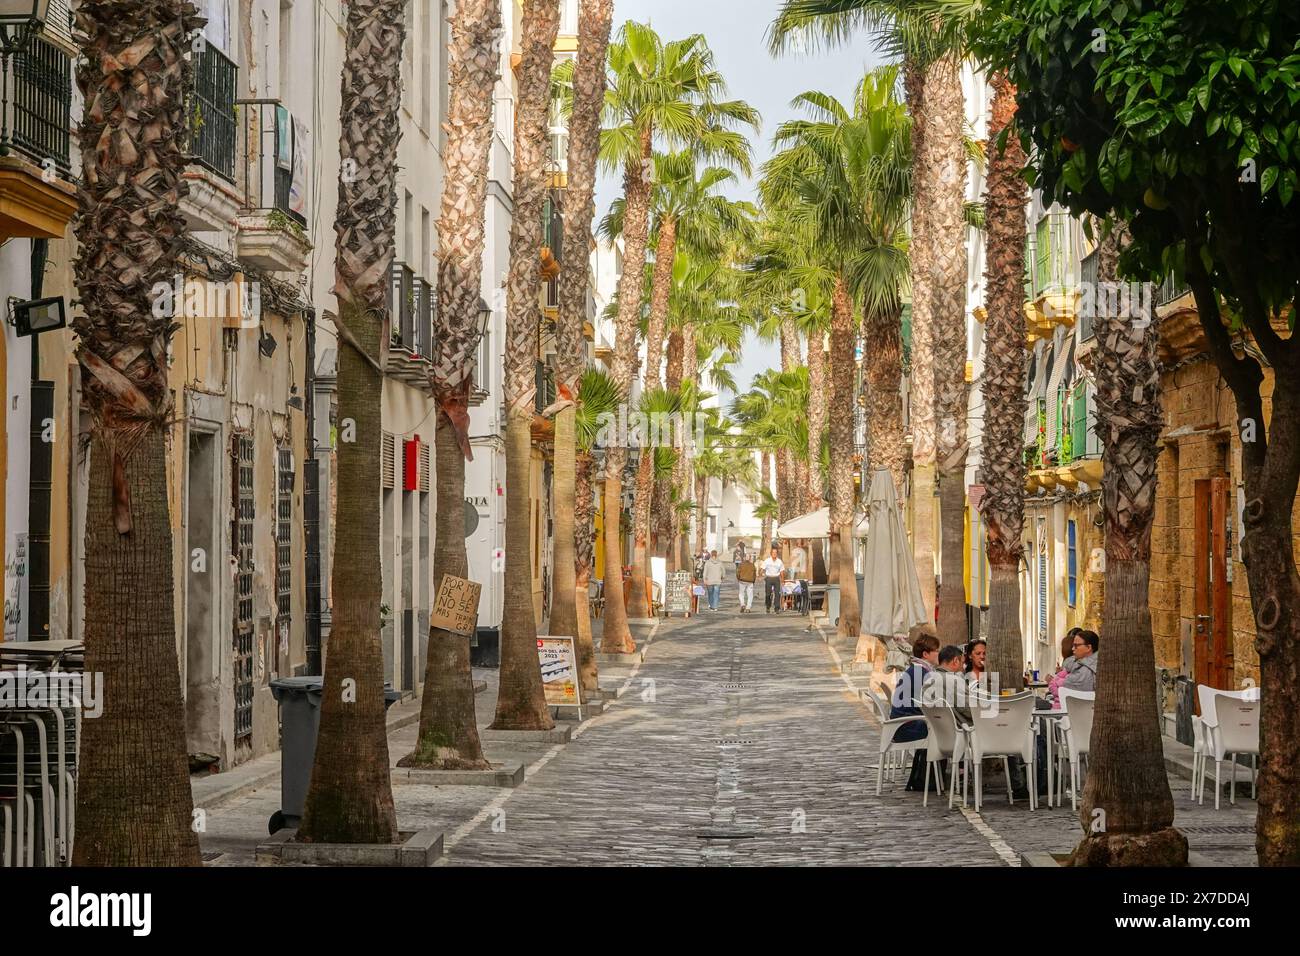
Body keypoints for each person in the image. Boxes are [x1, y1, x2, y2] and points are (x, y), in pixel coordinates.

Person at [890, 628, 941, 791]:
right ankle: (930, 779)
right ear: (925, 654)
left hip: (903, 723)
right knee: (945, 731)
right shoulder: (920, 673)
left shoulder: (918, 670)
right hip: (906, 726)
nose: (938, 654)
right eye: (936, 651)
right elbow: (932, 702)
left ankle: (929, 777)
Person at [924, 644, 973, 725]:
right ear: (955, 661)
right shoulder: (955, 681)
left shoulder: (928, 680)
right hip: (963, 732)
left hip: (938, 732)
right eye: (962, 662)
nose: (963, 667)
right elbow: (971, 711)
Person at [761, 547, 785, 613]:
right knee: (768, 594)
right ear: (771, 554)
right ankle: (768, 606)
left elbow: (782, 571)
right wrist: (762, 574)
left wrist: (782, 580)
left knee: (777, 593)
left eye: (775, 553)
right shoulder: (767, 561)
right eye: (773, 552)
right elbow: (762, 569)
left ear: (777, 554)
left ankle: (776, 608)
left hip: (776, 578)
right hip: (768, 578)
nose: (774, 554)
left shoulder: (779, 561)